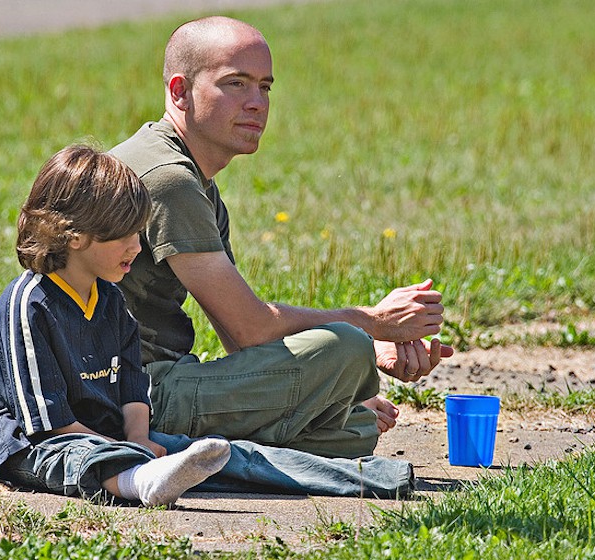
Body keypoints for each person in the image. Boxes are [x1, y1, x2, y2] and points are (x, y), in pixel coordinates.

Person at [110, 16, 454, 460]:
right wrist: (370, 326)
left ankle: (218, 444)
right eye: (235, 84)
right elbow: (250, 329)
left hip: (147, 385)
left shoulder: (193, 180)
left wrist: (365, 360)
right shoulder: (168, 180)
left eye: (265, 87)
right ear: (180, 91)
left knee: (354, 429)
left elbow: (238, 339)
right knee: (344, 349)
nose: (257, 103)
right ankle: (194, 446)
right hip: (131, 397)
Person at [0, 145, 232, 506]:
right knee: (79, 457)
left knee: (224, 454)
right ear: (74, 235)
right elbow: (47, 422)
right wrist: (127, 451)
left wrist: (138, 439)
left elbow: (132, 385)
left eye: (139, 234)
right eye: (124, 236)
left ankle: (327, 475)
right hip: (32, 442)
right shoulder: (27, 304)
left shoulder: (111, 300)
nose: (137, 248)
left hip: (108, 436)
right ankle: (142, 481)